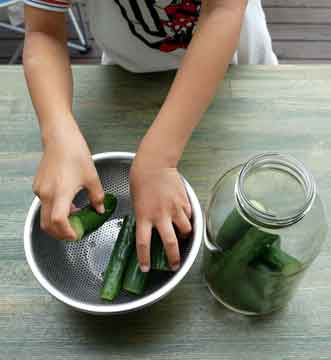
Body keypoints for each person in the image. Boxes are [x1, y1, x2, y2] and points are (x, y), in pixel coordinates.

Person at [23, 0, 278, 273]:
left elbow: (223, 10)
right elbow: (43, 33)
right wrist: (57, 130)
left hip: (233, 68)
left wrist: (159, 158)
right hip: (130, 78)